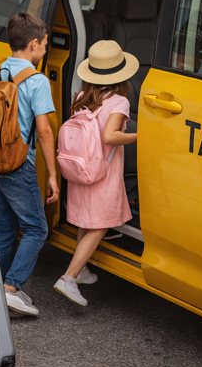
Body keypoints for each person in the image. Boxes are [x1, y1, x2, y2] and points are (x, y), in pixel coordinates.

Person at [52, 40, 139, 307]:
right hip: (102, 173)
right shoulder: (120, 102)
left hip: (80, 169)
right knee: (100, 226)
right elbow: (109, 136)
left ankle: (82, 270)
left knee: (86, 223)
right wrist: (141, 136)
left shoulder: (81, 96)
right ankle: (68, 277)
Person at [0, 12, 60, 317]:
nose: (45, 51)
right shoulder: (37, 79)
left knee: (5, 226)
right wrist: (53, 175)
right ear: (33, 44)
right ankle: (11, 288)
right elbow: (43, 130)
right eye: (44, 45)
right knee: (36, 229)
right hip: (18, 164)